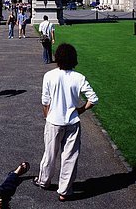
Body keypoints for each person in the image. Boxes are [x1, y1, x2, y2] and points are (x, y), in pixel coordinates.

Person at [33, 43, 98, 201]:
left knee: (50, 153)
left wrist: (47, 117)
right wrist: (81, 110)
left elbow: (45, 102)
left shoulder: (49, 75)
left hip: (54, 121)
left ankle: (44, 181)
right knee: (70, 157)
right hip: (72, 121)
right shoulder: (79, 77)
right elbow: (93, 99)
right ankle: (64, 190)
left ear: (58, 58)